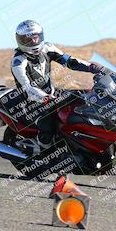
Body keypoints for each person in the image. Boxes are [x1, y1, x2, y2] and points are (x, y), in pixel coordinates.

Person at [10, 20, 106, 152]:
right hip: (32, 102)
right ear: (20, 40)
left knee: (85, 98)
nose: (33, 42)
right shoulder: (18, 62)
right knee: (48, 126)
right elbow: (27, 87)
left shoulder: (47, 48)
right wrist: (45, 97)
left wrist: (93, 67)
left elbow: (70, 61)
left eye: (36, 37)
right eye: (28, 39)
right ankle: (45, 157)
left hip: (53, 94)